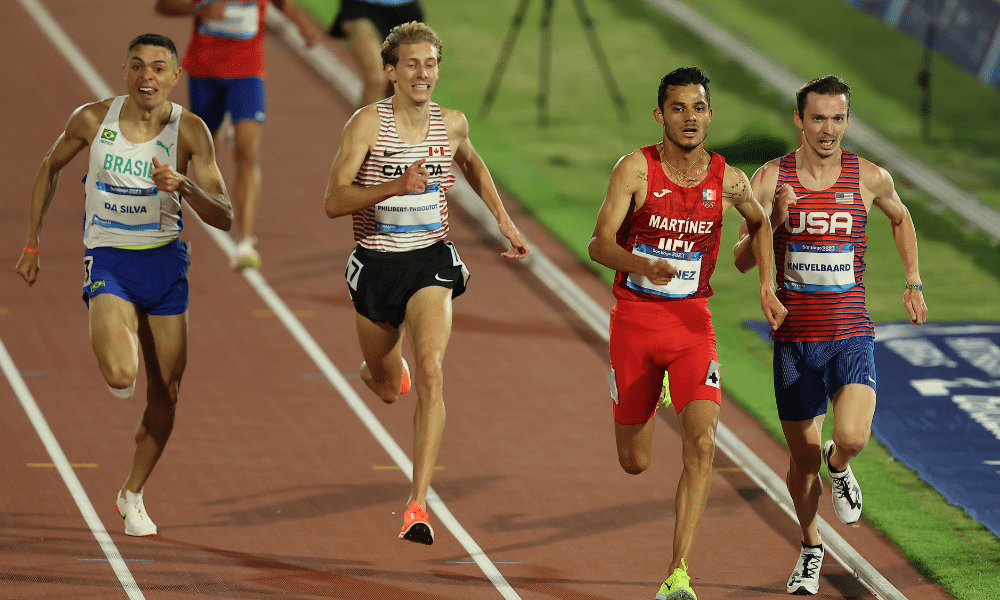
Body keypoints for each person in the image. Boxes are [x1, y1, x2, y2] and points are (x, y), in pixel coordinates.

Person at [15, 34, 233, 537]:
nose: (147, 76)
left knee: (167, 391)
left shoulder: (191, 132)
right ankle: (114, 328)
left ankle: (131, 493)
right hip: (110, 257)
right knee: (120, 375)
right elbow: (49, 168)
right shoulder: (94, 119)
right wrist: (32, 241)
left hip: (165, 264)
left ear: (176, 77)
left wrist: (184, 186)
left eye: (158, 68)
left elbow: (223, 215)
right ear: (125, 72)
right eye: (137, 66)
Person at [323, 21, 529, 545]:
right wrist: (397, 183)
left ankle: (417, 505)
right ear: (390, 71)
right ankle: (384, 374)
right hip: (375, 266)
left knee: (433, 371)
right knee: (388, 386)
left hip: (428, 263)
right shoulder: (367, 125)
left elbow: (472, 162)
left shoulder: (451, 123)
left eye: (430, 64)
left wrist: (503, 221)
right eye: (411, 64)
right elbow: (333, 201)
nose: (422, 73)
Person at [589, 66, 786, 600]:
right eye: (678, 108)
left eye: (698, 108)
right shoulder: (634, 170)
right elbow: (598, 244)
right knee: (636, 462)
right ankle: (647, 394)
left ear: (710, 114)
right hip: (634, 321)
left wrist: (766, 287)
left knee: (701, 443)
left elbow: (760, 222)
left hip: (692, 325)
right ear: (660, 115)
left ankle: (678, 574)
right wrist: (641, 264)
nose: (690, 118)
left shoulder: (730, 179)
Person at [733, 74, 928, 595]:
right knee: (801, 461)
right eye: (817, 118)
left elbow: (902, 218)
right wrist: (772, 222)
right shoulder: (771, 179)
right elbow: (739, 259)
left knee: (852, 437)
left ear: (847, 120)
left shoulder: (869, 177)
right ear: (799, 120)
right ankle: (812, 546)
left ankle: (841, 468)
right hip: (794, 339)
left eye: (837, 118)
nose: (827, 129)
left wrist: (913, 281)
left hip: (849, 331)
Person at [154, 0, 323, 269]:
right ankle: (221, 131)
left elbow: (283, 3)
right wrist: (199, 8)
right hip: (205, 70)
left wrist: (304, 27)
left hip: (247, 71)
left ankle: (245, 241)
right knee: (204, 151)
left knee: (246, 150)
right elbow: (163, 5)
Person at [329, 0, 425, 107]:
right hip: (361, 8)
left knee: (401, 88)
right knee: (375, 77)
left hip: (405, 9)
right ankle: (364, 124)